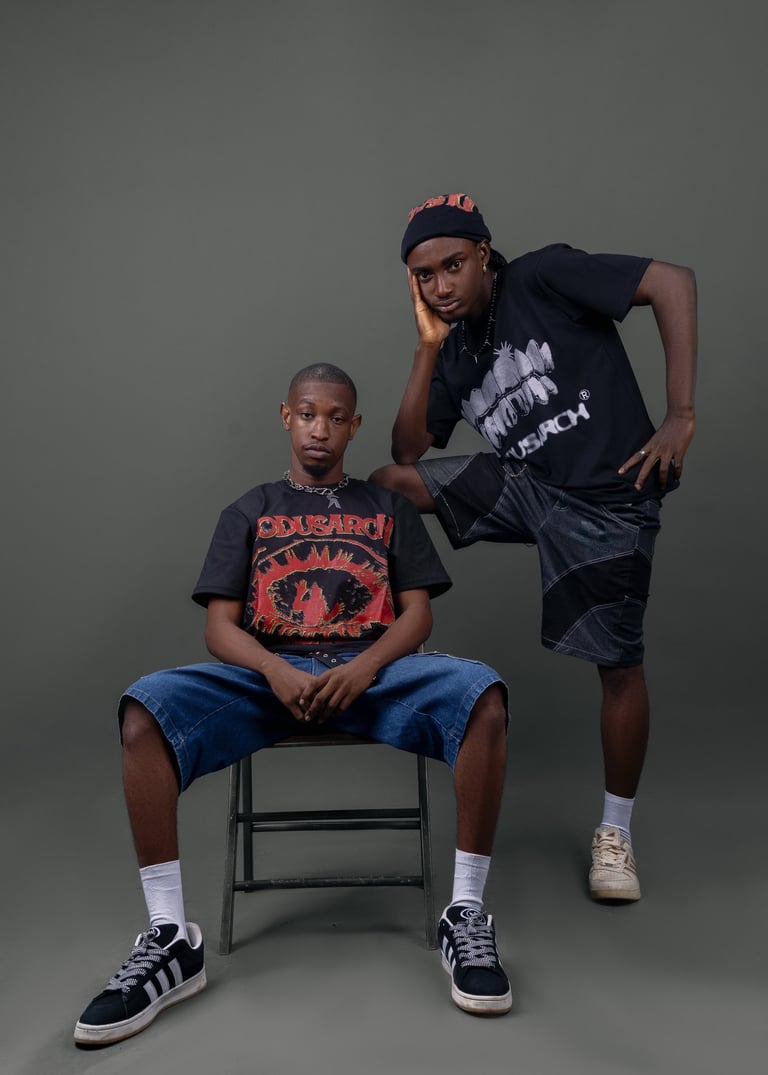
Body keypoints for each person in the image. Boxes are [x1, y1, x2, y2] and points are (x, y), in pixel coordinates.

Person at [74, 362, 513, 1047]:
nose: (320, 429)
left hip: (375, 673)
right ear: (287, 417)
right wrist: (274, 668)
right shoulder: (248, 510)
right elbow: (219, 628)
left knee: (482, 695)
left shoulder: (387, 508)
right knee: (144, 712)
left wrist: (365, 666)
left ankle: (465, 913)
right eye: (308, 414)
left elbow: (418, 615)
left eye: (336, 418)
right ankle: (170, 938)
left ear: (354, 426)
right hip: (270, 676)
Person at [371, 193, 697, 904]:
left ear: (484, 254)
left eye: (453, 265)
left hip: (609, 498)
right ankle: (402, 625)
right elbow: (406, 449)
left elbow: (673, 281)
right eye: (424, 276)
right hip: (528, 486)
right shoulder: (456, 350)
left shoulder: (544, 277)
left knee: (618, 665)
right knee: (388, 486)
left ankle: (616, 832)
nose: (441, 285)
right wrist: (427, 347)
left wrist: (679, 413)